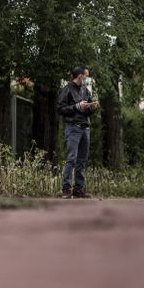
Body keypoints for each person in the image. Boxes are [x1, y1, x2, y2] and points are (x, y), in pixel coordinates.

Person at [57, 66, 97, 198]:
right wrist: (76, 106)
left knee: (82, 160)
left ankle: (78, 189)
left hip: (85, 128)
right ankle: (66, 189)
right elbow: (61, 109)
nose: (87, 78)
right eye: (86, 75)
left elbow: (89, 109)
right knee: (71, 159)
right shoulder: (67, 89)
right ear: (80, 75)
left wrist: (92, 107)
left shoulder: (86, 90)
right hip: (73, 127)